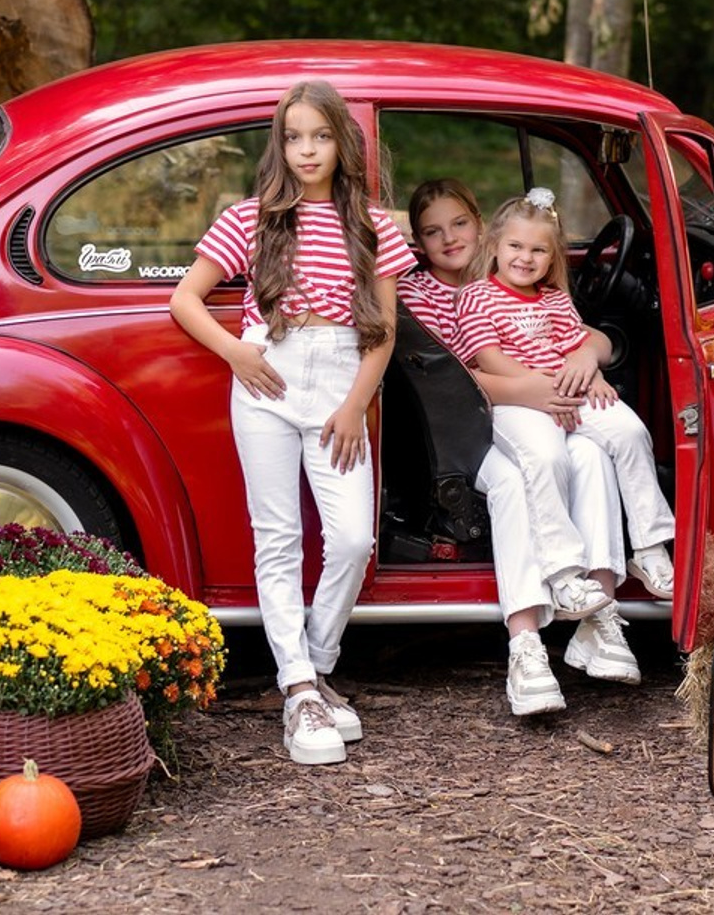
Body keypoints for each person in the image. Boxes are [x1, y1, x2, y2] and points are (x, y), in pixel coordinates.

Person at [170, 81, 415, 765]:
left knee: (352, 539)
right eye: (294, 137)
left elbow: (385, 333)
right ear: (279, 145)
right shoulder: (251, 217)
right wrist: (235, 353)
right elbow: (184, 299)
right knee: (277, 538)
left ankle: (315, 662)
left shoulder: (371, 224)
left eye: (321, 136)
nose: (307, 150)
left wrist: (354, 406)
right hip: (268, 377)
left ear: (343, 143)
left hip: (340, 380)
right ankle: (301, 690)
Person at [400, 179, 640, 716]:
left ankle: (599, 612)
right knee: (512, 481)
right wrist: (536, 390)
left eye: (460, 224)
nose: (450, 238)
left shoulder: (517, 281)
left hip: (544, 411)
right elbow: (444, 377)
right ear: (417, 241)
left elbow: (582, 335)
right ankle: (525, 639)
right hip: (471, 431)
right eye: (432, 232)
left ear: (482, 226)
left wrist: (588, 357)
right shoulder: (418, 293)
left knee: (593, 454)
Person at [457, 187, 676, 611]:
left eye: (538, 250)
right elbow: (488, 358)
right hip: (518, 401)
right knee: (547, 457)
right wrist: (543, 390)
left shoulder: (555, 298)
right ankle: (562, 572)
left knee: (630, 431)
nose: (525, 258)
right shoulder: (476, 296)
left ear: (553, 257)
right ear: (495, 247)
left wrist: (590, 373)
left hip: (568, 393)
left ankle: (650, 547)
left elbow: (577, 344)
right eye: (515, 246)